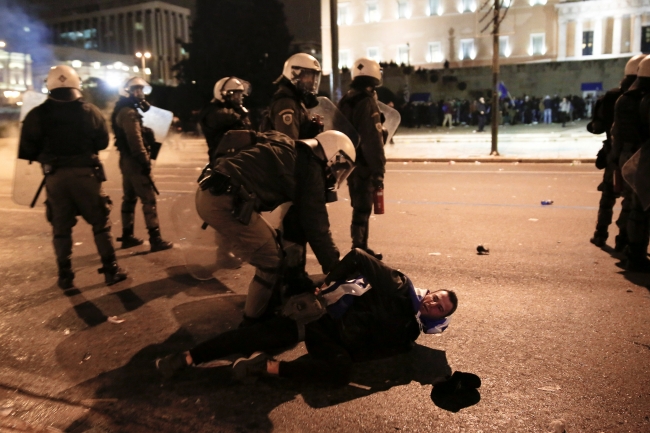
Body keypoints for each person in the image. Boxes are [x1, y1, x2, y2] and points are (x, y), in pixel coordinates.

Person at [156, 248, 459, 385]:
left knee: (339, 374)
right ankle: (187, 358)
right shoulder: (399, 287)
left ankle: (266, 366)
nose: (433, 302)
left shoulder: (409, 334)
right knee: (255, 336)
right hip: (320, 319)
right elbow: (358, 256)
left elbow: (373, 350)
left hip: (335, 344)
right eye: (436, 296)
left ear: (439, 320)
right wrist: (326, 284)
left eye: (440, 307)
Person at [195, 130, 355, 323]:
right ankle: (253, 321)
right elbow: (317, 227)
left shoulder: (286, 143)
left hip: (213, 190)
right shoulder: (310, 171)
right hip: (224, 203)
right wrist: (334, 268)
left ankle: (273, 298)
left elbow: (238, 137)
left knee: (275, 245)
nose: (338, 172)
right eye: (340, 165)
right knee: (270, 260)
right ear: (332, 155)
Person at [18, 65, 127, 289]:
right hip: (86, 175)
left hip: (55, 178)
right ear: (76, 84)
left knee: (60, 227)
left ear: (49, 85)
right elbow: (103, 142)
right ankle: (110, 271)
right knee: (100, 224)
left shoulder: (37, 114)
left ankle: (65, 276)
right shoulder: (90, 110)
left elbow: (28, 150)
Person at [587, 54, 645, 250]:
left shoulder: (614, 96)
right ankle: (624, 240)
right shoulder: (640, 98)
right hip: (636, 156)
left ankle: (600, 233)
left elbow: (596, 126)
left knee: (608, 195)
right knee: (631, 201)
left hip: (614, 152)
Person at [111, 77, 173, 252]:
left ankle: (127, 236)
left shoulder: (125, 110)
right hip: (135, 161)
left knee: (129, 199)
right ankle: (155, 239)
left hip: (127, 161)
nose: (139, 94)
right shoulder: (129, 113)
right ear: (127, 92)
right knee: (148, 199)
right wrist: (144, 161)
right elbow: (135, 140)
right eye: (136, 90)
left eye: (141, 90)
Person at [338, 57, 386, 260]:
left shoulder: (346, 99)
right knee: (363, 207)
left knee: (358, 206)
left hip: (349, 161)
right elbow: (372, 139)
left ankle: (359, 249)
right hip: (365, 164)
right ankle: (359, 250)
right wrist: (379, 169)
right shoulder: (366, 102)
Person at [612, 57, 650, 271]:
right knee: (639, 207)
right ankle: (634, 252)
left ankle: (625, 244)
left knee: (631, 204)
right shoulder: (644, 100)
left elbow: (615, 131)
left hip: (625, 154)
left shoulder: (623, 98)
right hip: (641, 154)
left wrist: (615, 159)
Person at [261, 53, 322, 140]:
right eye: (308, 76)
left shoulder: (297, 100)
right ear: (293, 74)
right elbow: (289, 144)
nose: (312, 81)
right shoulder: (286, 103)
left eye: (314, 77)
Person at [200, 76, 252, 165]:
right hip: (223, 163)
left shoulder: (231, 110)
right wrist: (241, 111)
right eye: (237, 94)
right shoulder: (214, 112)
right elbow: (229, 117)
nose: (241, 97)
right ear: (225, 94)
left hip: (237, 160)